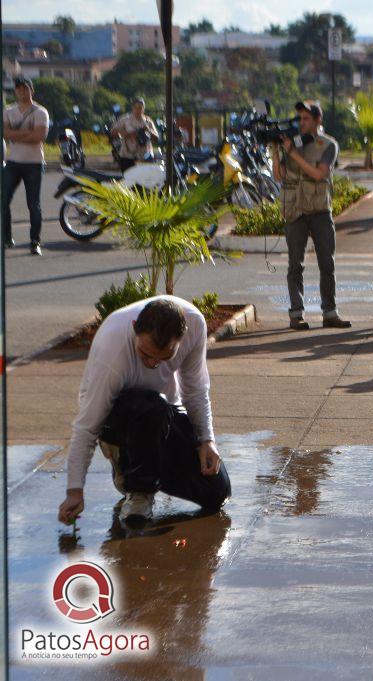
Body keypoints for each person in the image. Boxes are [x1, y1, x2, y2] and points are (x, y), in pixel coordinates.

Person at [56, 297, 231, 528]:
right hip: (117, 419)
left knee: (217, 492)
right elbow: (86, 427)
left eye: (164, 358)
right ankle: (137, 487)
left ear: (183, 335)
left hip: (163, 413)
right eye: (145, 354)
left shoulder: (195, 325)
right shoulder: (113, 352)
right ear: (134, 327)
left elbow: (195, 390)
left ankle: (141, 470)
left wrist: (206, 440)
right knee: (149, 405)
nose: (153, 363)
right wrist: (74, 490)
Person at [272, 100, 351, 331]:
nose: (301, 123)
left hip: (319, 210)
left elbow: (319, 174)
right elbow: (279, 176)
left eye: (306, 118)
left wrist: (293, 154)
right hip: (295, 209)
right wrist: (277, 153)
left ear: (318, 121)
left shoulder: (328, 145)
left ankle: (330, 313)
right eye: (299, 118)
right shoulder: (291, 143)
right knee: (295, 265)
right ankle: (296, 314)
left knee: (327, 263)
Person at [2, 76, 49, 255]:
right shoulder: (9, 111)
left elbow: (39, 137)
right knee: (4, 200)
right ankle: (7, 237)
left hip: (34, 164)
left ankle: (34, 241)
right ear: (15, 91)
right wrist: (26, 134)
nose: (22, 91)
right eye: (19, 89)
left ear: (32, 90)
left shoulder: (40, 112)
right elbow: (5, 133)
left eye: (25, 88)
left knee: (33, 204)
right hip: (13, 162)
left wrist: (15, 135)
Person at [110, 97, 159, 172]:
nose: (138, 110)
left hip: (144, 156)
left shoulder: (148, 121)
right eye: (136, 107)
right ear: (132, 108)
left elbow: (157, 138)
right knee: (129, 180)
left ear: (143, 108)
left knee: (143, 181)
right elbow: (112, 133)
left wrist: (148, 130)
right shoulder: (125, 119)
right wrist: (129, 134)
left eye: (141, 108)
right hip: (127, 156)